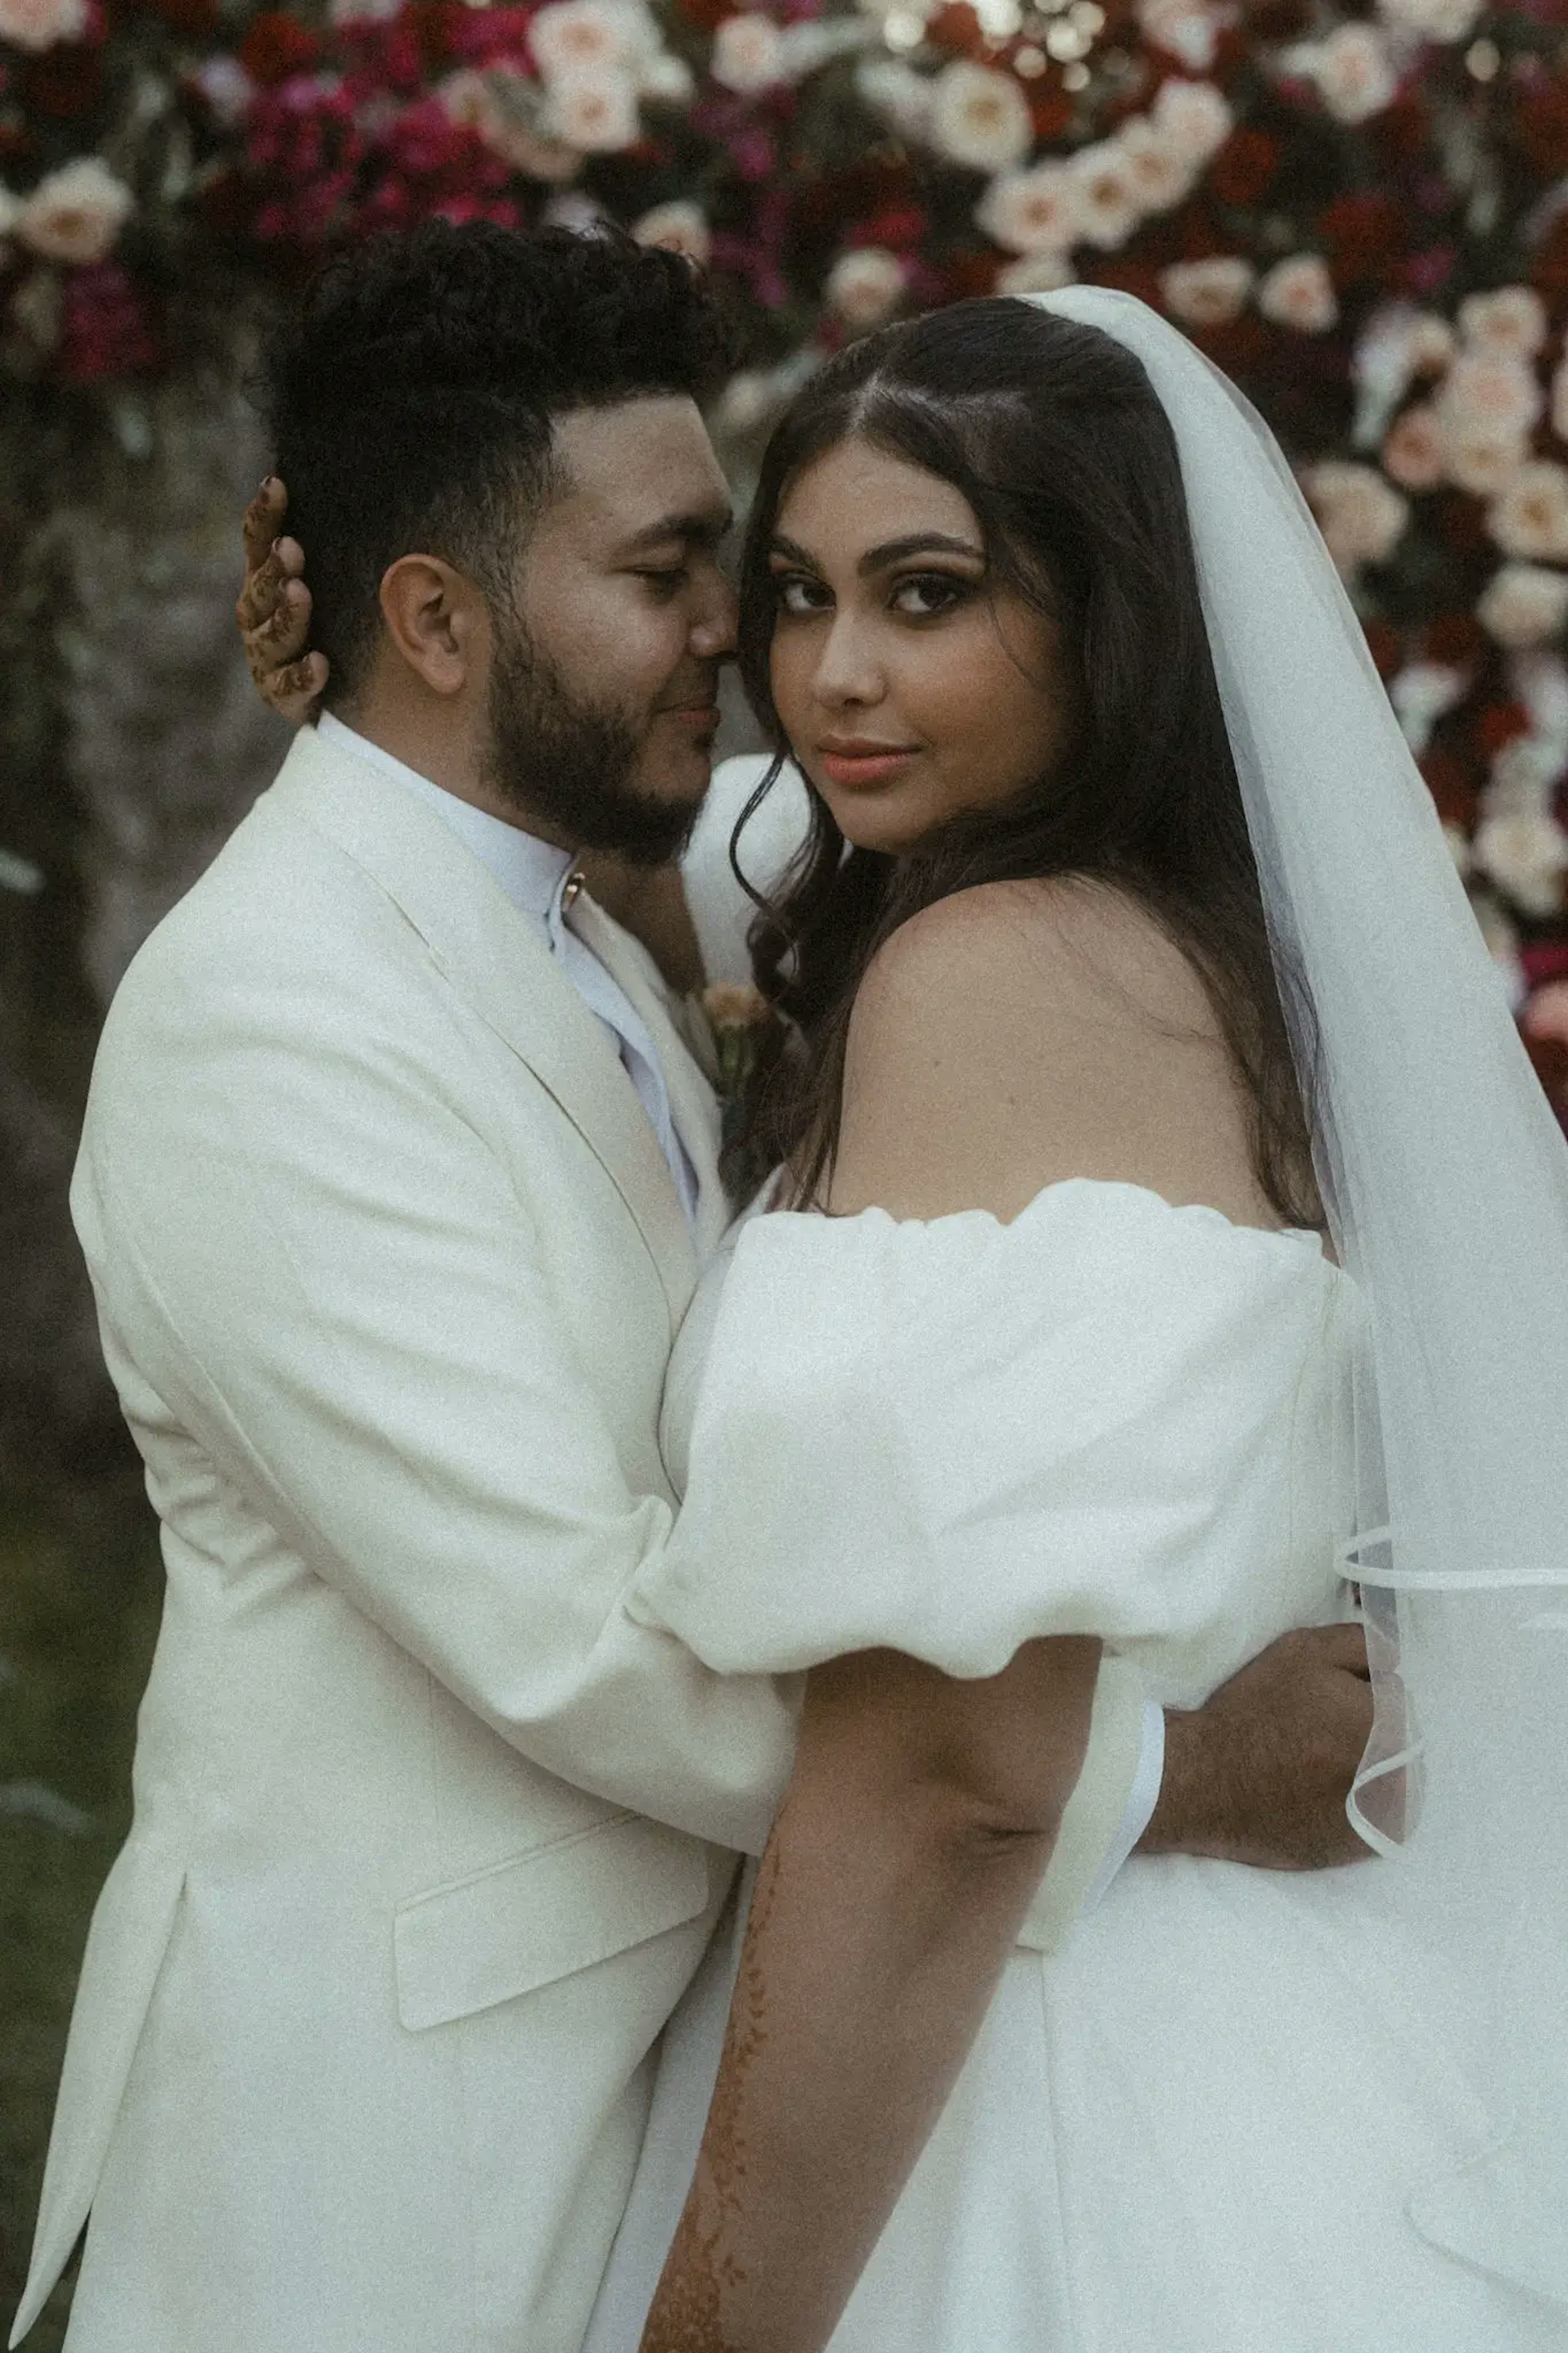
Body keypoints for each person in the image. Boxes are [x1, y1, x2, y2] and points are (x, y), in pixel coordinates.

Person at [13, 230, 1370, 2353]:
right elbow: (580, 1641)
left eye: (773, 580)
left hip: (734, 2027)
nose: (753, 648)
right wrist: (1170, 1779)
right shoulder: (270, 1020)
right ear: (441, 620)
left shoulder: (593, 875)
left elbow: (871, 798)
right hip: (407, 2126)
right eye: (674, 580)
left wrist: (391, 704)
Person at [583, 294, 1568, 2351]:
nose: (834, 677)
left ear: (1110, 622)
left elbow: (956, 1779)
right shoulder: (1199, 943)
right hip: (1287, 2031)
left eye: (928, 596)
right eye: (795, 596)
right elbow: (708, 824)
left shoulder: (993, 974)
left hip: (1030, 2080)